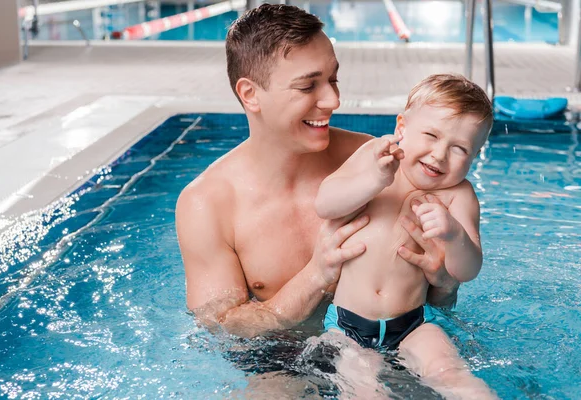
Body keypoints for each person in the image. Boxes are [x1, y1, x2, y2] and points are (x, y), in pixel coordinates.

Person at [175, 4, 458, 340]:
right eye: (308, 87)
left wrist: (445, 283)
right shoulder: (207, 204)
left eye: (333, 79)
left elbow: (434, 297)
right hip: (279, 359)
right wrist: (316, 275)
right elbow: (223, 327)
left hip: (390, 345)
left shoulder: (374, 162)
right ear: (250, 94)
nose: (333, 100)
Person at [315, 73, 496, 397]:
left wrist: (454, 235)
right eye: (430, 135)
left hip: (413, 324)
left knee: (451, 374)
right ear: (402, 127)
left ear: (475, 156)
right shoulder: (376, 155)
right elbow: (325, 203)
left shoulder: (458, 195)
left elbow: (467, 271)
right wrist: (373, 180)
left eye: (459, 149)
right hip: (346, 326)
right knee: (362, 386)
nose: (439, 155)